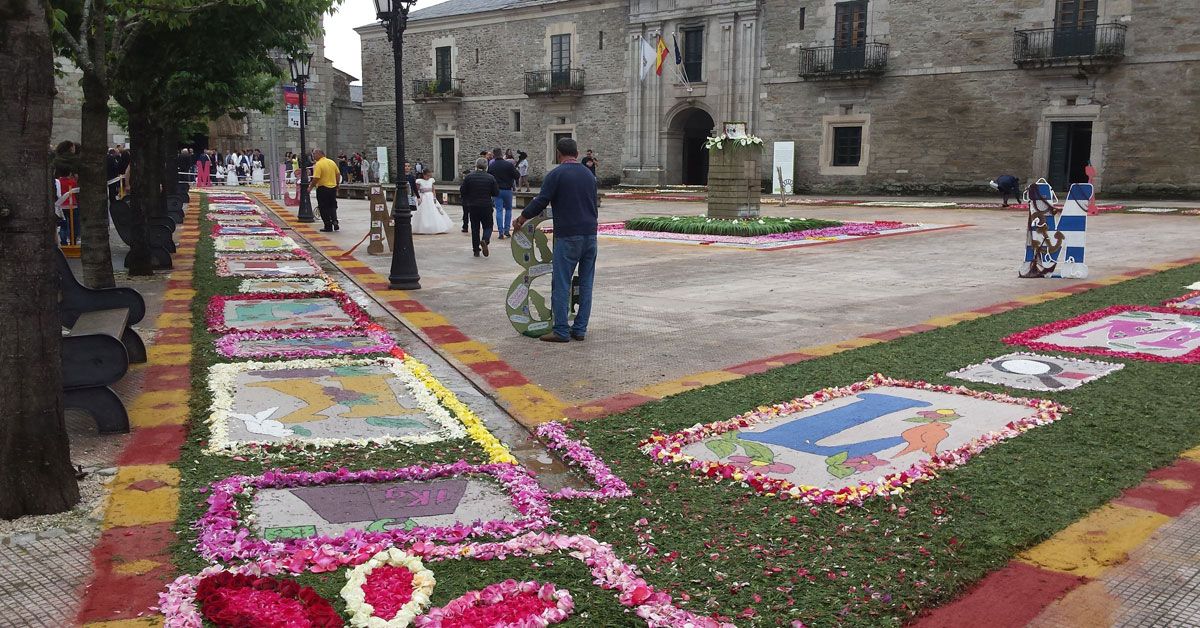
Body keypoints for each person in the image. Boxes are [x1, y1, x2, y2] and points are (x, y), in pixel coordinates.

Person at [513, 137, 598, 343]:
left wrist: (522, 218)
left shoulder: (556, 174)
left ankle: (560, 330)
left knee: (561, 282)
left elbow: (541, 201)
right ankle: (580, 329)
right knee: (586, 284)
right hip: (590, 235)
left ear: (558, 154)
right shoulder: (589, 174)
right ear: (577, 154)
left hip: (568, 235)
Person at [460, 158, 499, 257]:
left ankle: (476, 250)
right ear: (486, 166)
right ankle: (485, 240)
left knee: (475, 228)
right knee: (488, 226)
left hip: (473, 205)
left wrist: (468, 198)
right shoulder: (490, 178)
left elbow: (463, 190)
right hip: (486, 205)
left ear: (476, 165)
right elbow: (496, 192)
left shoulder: (469, 177)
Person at [488, 147, 520, 239]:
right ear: (501, 154)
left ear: (494, 155)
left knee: (499, 210)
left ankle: (500, 232)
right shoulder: (508, 165)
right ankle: (507, 230)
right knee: (509, 210)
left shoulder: (492, 166)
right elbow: (517, 176)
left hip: (497, 190)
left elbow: (489, 178)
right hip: (507, 190)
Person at [311, 149, 342, 232]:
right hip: (332, 188)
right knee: (332, 206)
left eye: (314, 154)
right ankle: (335, 221)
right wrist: (337, 184)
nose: (313, 156)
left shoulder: (319, 164)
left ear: (319, 154)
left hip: (323, 188)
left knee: (323, 207)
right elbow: (338, 174)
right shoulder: (331, 162)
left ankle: (328, 225)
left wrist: (310, 187)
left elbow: (316, 178)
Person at [412, 170, 452, 234]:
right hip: (423, 197)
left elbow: (433, 189)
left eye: (429, 176)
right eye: (427, 176)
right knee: (422, 211)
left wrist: (434, 197)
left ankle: (435, 225)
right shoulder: (419, 181)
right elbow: (416, 190)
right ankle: (423, 227)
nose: (428, 177)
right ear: (424, 175)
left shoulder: (431, 180)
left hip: (430, 197)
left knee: (433, 210)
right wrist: (417, 197)